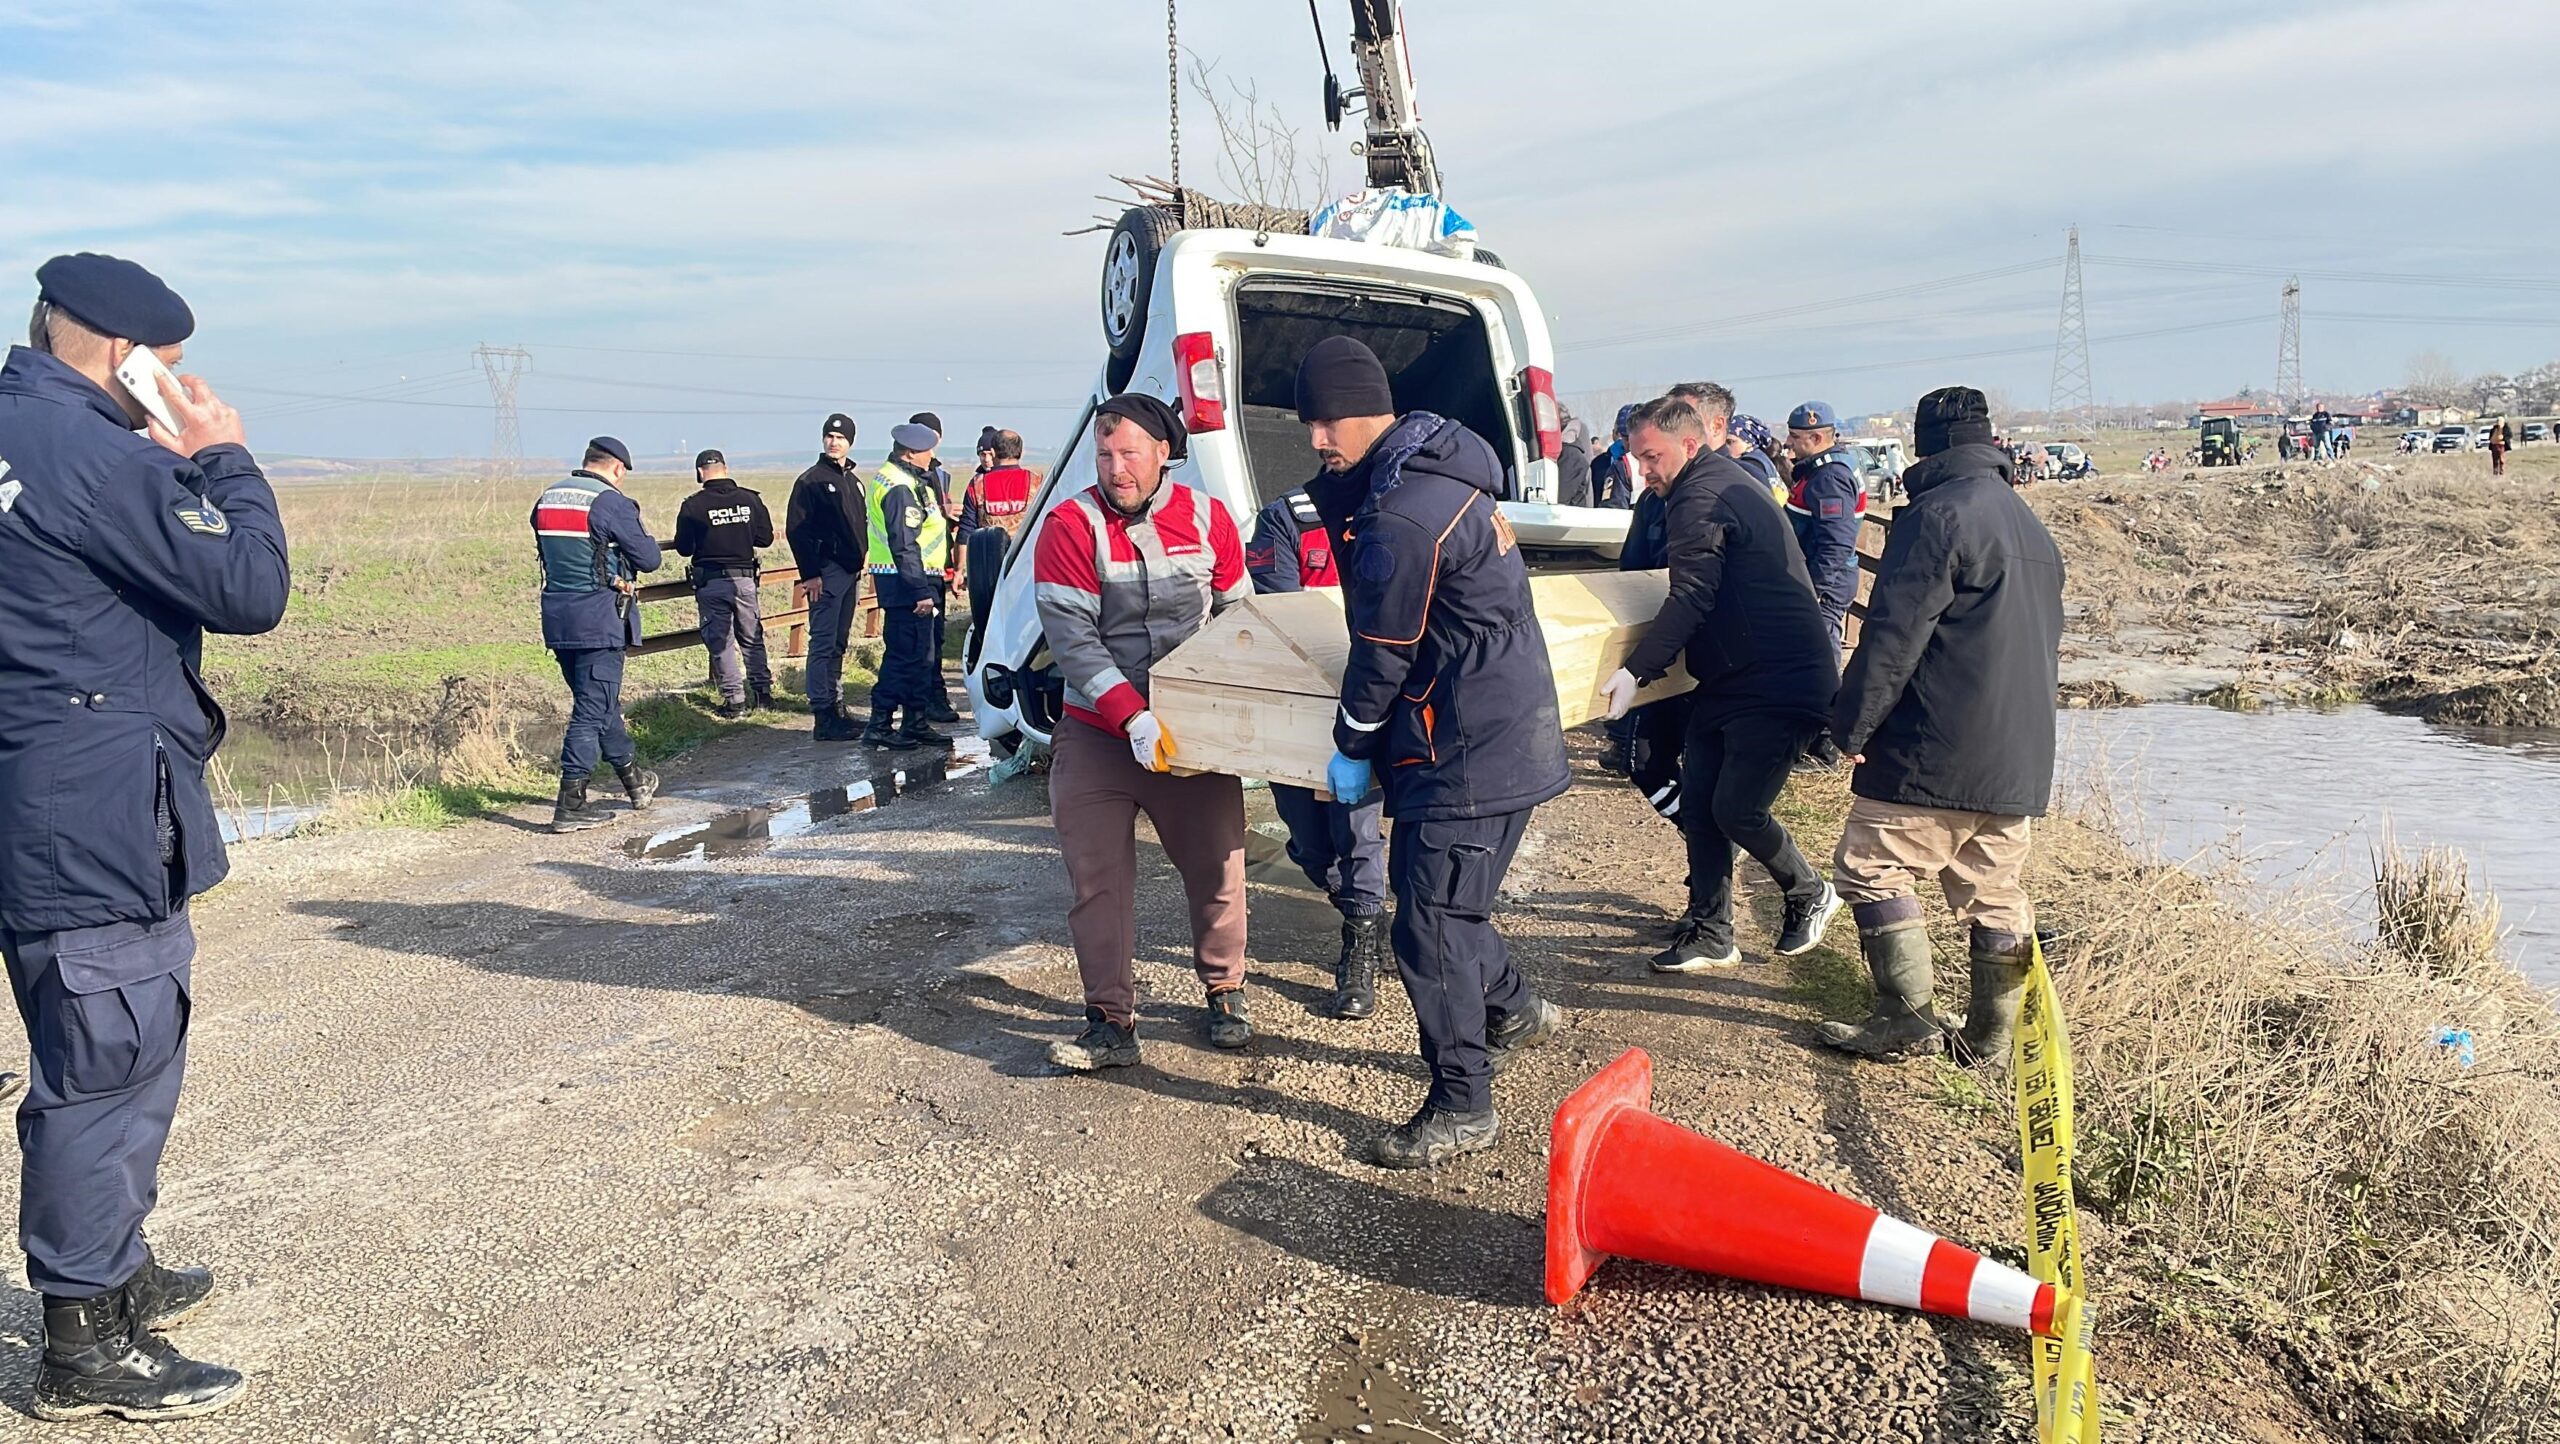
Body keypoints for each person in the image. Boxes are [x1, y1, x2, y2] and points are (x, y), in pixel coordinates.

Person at [0, 253, 291, 1420]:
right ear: (124, 358)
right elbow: (252, 586)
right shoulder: (95, 455)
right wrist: (218, 452)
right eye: (167, 369)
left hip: (40, 781)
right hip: (97, 801)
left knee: (104, 1042)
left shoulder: (19, 428)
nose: (180, 382)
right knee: (108, 1059)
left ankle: (115, 1266)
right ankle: (84, 1341)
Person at [1299, 336, 1568, 1170]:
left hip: (1463, 747)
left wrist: (1350, 745)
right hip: (1500, 730)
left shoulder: (1402, 514)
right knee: (1452, 908)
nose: (1315, 439)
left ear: (1366, 411)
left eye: (1325, 421)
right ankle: (1515, 1010)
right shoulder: (1442, 473)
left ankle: (1462, 1105)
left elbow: (1382, 649)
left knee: (1431, 929)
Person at [1818, 386, 2064, 1067]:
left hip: (1937, 747)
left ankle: (1906, 1020)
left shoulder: (1937, 516)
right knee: (1994, 891)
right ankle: (1988, 1043)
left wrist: (1850, 729)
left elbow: (1894, 638)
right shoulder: (2029, 525)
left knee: (1870, 868)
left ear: (1926, 445)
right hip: (2019, 758)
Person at [1031, 394, 1255, 1068]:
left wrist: (1236, 709)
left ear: (1165, 453)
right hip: (1097, 730)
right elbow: (1074, 640)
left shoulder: (1210, 518)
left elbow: (1238, 616)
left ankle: (1226, 989)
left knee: (1218, 863)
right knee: (1096, 878)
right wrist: (1130, 715)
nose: (1115, 467)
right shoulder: (1070, 525)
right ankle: (1110, 1022)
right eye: (1104, 454)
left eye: (1129, 452)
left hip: (1189, 729)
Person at [1600, 391, 1843, 973]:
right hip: (1731, 678)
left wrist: (1637, 671)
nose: (1643, 470)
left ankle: (1809, 890)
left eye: (1652, 457)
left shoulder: (1701, 496)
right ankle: (1712, 932)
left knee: (1736, 809)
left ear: (1689, 444)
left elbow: (1693, 594)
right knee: (1704, 806)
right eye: (1637, 458)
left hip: (1780, 679)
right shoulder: (1700, 484)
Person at [1245, 482, 1390, 1019]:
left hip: (1367, 705)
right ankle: (1374, 918)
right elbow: (1281, 606)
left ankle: (1358, 952)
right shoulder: (1287, 518)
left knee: (1358, 835)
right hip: (1297, 707)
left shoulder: (1392, 510)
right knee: (1307, 844)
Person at [533, 436, 662, 832]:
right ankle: (570, 804)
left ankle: (634, 781)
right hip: (599, 619)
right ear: (618, 469)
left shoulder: (547, 499)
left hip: (558, 616)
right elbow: (649, 559)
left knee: (599, 702)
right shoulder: (610, 502)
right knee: (590, 711)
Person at [863, 423, 953, 750]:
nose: (933, 456)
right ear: (911, 452)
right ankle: (880, 724)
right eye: (929, 450)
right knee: (904, 656)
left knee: (921, 656)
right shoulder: (899, 487)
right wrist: (920, 592)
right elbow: (904, 544)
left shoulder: (909, 480)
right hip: (906, 583)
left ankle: (914, 722)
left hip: (914, 578)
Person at [672, 449, 776, 719]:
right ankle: (763, 695)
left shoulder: (693, 505)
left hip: (712, 582)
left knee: (721, 643)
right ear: (725, 468)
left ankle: (735, 702)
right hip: (744, 579)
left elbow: (683, 547)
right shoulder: (750, 500)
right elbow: (765, 539)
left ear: (699, 473)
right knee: (752, 638)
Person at [785, 413, 867, 741]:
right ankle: (823, 713)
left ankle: (837, 706)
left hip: (851, 571)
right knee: (822, 642)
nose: (834, 442)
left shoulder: (853, 481)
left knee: (838, 642)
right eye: (829, 437)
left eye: (841, 438)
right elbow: (798, 530)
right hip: (826, 573)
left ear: (850, 442)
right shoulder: (811, 481)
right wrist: (811, 574)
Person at [907, 412, 964, 723]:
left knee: (934, 639)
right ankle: (921, 704)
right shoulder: (907, 478)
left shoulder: (939, 475)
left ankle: (931, 697)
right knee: (919, 641)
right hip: (915, 570)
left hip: (935, 566)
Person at [961, 429, 1037, 540]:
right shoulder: (1036, 482)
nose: (986, 459)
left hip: (988, 554)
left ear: (993, 452)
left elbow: (966, 532)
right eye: (982, 455)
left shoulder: (977, 485)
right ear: (1021, 452)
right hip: (1028, 553)